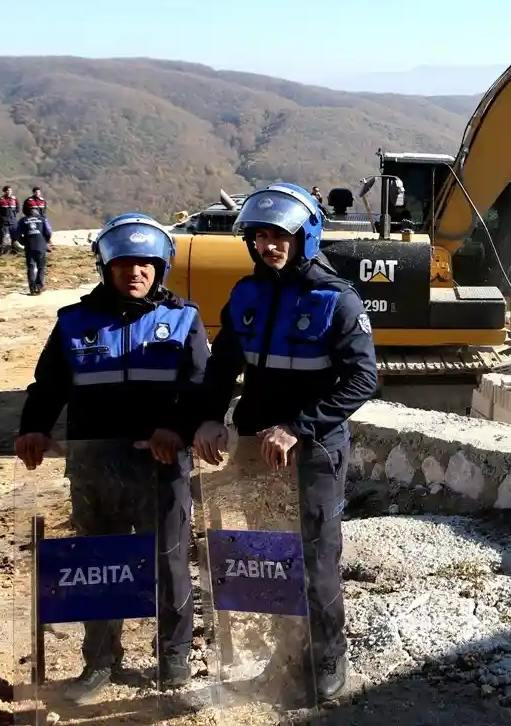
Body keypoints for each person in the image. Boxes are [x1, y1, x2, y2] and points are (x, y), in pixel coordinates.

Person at [191, 182, 377, 703]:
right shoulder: (246, 295)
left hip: (313, 449)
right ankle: (285, 655)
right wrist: (208, 418)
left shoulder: (335, 299)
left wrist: (297, 426)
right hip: (255, 445)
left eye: (280, 236)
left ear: (305, 236)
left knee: (314, 558)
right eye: (260, 236)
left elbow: (363, 379)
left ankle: (325, 666)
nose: (269, 245)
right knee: (271, 557)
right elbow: (223, 366)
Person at [15, 214, 209, 704]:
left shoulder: (185, 319)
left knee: (168, 564)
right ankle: (100, 662)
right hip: (94, 469)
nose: (135, 272)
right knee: (100, 566)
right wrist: (32, 429)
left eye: (145, 263)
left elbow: (201, 392)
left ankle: (173, 657)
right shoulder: (73, 322)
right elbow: (48, 387)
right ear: (106, 267)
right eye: (124, 263)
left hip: (161, 466)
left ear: (160, 268)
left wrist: (180, 430)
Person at [17, 203, 53, 295]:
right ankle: (39, 286)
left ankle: (32, 288)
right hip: (41, 246)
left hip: (29, 246)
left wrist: (24, 242)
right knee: (41, 267)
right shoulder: (42, 219)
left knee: (31, 267)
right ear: (36, 210)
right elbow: (48, 232)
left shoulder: (23, 220)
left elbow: (18, 234)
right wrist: (46, 241)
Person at [0, 186, 20, 255]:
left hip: (13, 221)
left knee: (14, 236)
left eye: (10, 190)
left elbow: (18, 209)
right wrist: (2, 217)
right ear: (5, 191)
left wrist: (12, 215)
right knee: (2, 236)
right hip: (4, 222)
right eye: (8, 190)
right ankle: (0, 251)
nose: (9, 192)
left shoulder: (14, 199)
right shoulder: (0, 200)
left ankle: (14, 250)